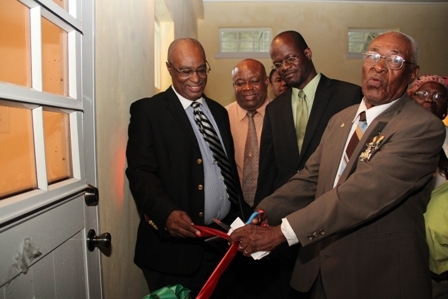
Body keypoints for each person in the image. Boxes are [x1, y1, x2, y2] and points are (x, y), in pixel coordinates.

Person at [229, 31, 446, 299]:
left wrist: (281, 233)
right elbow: (309, 178)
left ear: (413, 73)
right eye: (373, 56)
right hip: (319, 270)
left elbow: (359, 194)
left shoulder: (422, 128)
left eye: (395, 60)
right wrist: (263, 213)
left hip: (377, 276)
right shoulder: (342, 119)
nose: (379, 66)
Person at [125, 38, 249, 298]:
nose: (196, 78)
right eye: (186, 71)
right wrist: (165, 213)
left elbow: (225, 172)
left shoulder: (218, 111)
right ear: (170, 68)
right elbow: (140, 173)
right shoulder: (149, 111)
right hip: (173, 256)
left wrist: (243, 216)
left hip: (220, 247)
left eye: (201, 69)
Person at [254, 30, 363, 298]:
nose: (284, 68)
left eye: (290, 58)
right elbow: (268, 169)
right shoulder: (275, 109)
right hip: (285, 223)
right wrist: (259, 215)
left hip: (331, 218)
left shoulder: (348, 95)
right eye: (278, 64)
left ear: (308, 53)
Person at [408, 74, 448, 299]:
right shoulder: (393, 140)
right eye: (422, 93)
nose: (429, 100)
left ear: (445, 110)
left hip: (439, 262)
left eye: (438, 96)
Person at [226, 58, 272, 207]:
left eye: (254, 81)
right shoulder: (222, 117)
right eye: (239, 83)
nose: (247, 88)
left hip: (273, 207)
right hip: (232, 207)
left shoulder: (282, 114)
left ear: (266, 81)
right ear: (233, 86)